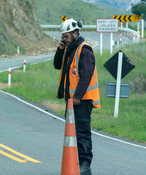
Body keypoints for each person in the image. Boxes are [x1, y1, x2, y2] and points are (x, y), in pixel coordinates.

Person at [53, 19, 100, 175]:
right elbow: (57, 65)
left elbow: (86, 75)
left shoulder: (84, 50)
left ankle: (85, 165)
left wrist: (78, 96)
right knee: (73, 133)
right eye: (62, 37)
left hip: (82, 100)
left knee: (82, 132)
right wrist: (60, 49)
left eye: (65, 36)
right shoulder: (70, 49)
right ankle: (75, 164)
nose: (63, 39)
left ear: (75, 33)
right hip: (72, 101)